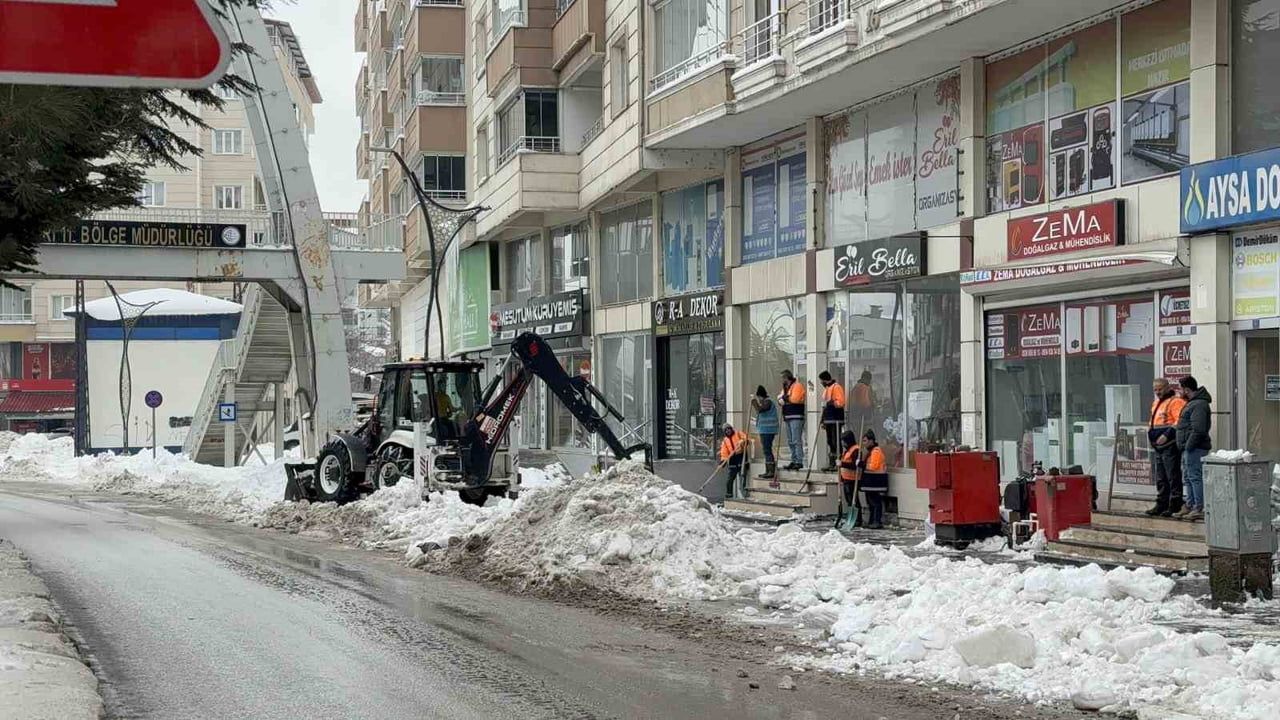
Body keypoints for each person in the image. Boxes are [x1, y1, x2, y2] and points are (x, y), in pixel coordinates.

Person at [1174, 375, 1212, 521]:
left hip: (1195, 448)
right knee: (1188, 477)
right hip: (1188, 448)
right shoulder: (1192, 403)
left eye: (1180, 389)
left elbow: (1199, 429)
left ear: (1187, 389)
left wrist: (1188, 446)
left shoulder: (1199, 404)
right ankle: (1190, 505)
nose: (1179, 391)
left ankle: (1198, 507)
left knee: (1195, 477)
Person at [1146, 378, 1186, 517]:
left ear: (1168, 387)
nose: (1158, 392)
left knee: (1172, 475)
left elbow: (1179, 422)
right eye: (1155, 390)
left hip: (1169, 444)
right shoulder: (1157, 402)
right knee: (1161, 476)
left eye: (1160, 389)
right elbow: (1152, 422)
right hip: (1158, 445)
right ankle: (1161, 503)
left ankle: (1175, 504)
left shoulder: (1175, 402)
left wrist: (1167, 435)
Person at [858, 430, 889, 529]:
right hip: (871, 482)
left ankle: (876, 521)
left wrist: (861, 464)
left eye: (865, 440)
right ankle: (872, 521)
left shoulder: (876, 451)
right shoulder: (871, 452)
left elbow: (874, 466)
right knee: (870, 503)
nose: (864, 443)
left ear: (871, 441)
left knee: (875, 502)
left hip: (875, 482)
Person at [779, 370, 807, 470]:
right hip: (787, 416)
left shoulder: (797, 386)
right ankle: (793, 460)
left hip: (796, 416)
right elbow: (780, 399)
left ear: (787, 377)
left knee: (796, 439)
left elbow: (795, 399)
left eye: (783, 378)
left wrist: (785, 398)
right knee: (790, 440)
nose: (782, 380)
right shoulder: (786, 388)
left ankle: (799, 461)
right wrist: (784, 398)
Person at [819, 371, 846, 472]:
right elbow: (824, 407)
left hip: (836, 419)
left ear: (825, 379)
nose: (821, 383)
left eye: (822, 381)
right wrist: (822, 420)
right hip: (828, 419)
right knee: (830, 441)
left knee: (836, 441)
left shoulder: (836, 387)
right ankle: (832, 463)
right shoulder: (827, 389)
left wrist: (831, 403)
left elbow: (841, 402)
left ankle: (838, 462)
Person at [751, 386, 779, 480]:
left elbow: (760, 409)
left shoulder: (768, 402)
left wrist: (754, 403)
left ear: (761, 396)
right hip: (764, 430)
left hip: (768, 430)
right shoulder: (765, 402)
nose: (759, 400)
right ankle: (768, 470)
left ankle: (771, 470)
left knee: (767, 450)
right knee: (766, 450)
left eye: (759, 397)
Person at [837, 430, 861, 529]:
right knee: (849, 500)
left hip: (853, 479)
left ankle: (858, 519)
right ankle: (851, 517)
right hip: (846, 479)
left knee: (854, 500)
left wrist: (842, 464)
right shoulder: (847, 450)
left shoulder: (855, 450)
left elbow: (855, 465)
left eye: (844, 441)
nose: (843, 443)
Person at [719, 423, 750, 501]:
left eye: (729, 429)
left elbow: (746, 439)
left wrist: (743, 441)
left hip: (741, 456)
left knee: (742, 476)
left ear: (731, 429)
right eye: (726, 430)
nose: (728, 431)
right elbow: (724, 452)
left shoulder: (738, 433)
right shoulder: (725, 441)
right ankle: (729, 495)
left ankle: (744, 495)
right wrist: (723, 460)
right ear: (724, 432)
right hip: (732, 458)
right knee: (730, 478)